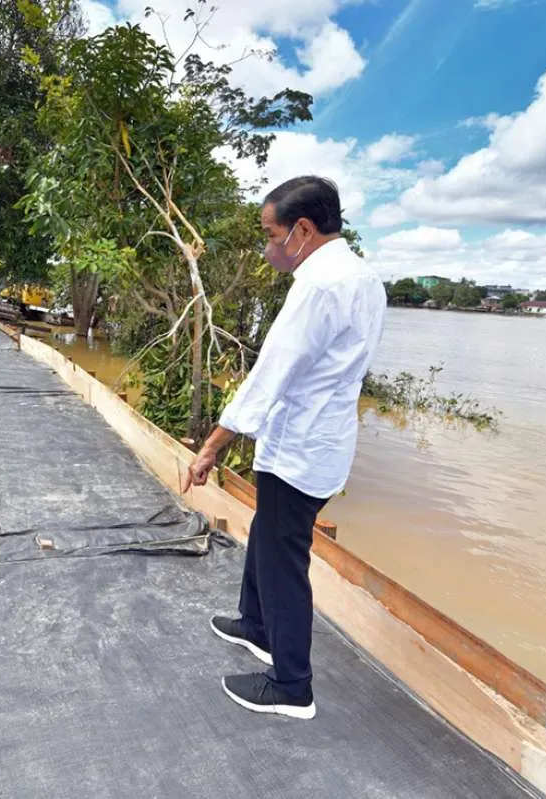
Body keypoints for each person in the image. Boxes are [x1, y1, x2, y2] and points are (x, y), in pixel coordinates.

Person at [181, 176, 386, 720]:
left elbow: (270, 377)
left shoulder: (320, 286)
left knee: (282, 559)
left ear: (301, 230)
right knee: (268, 536)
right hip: (317, 440)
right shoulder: (362, 276)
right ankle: (256, 626)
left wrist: (211, 448)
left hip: (302, 447)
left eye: (271, 235)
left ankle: (293, 685)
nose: (267, 248)